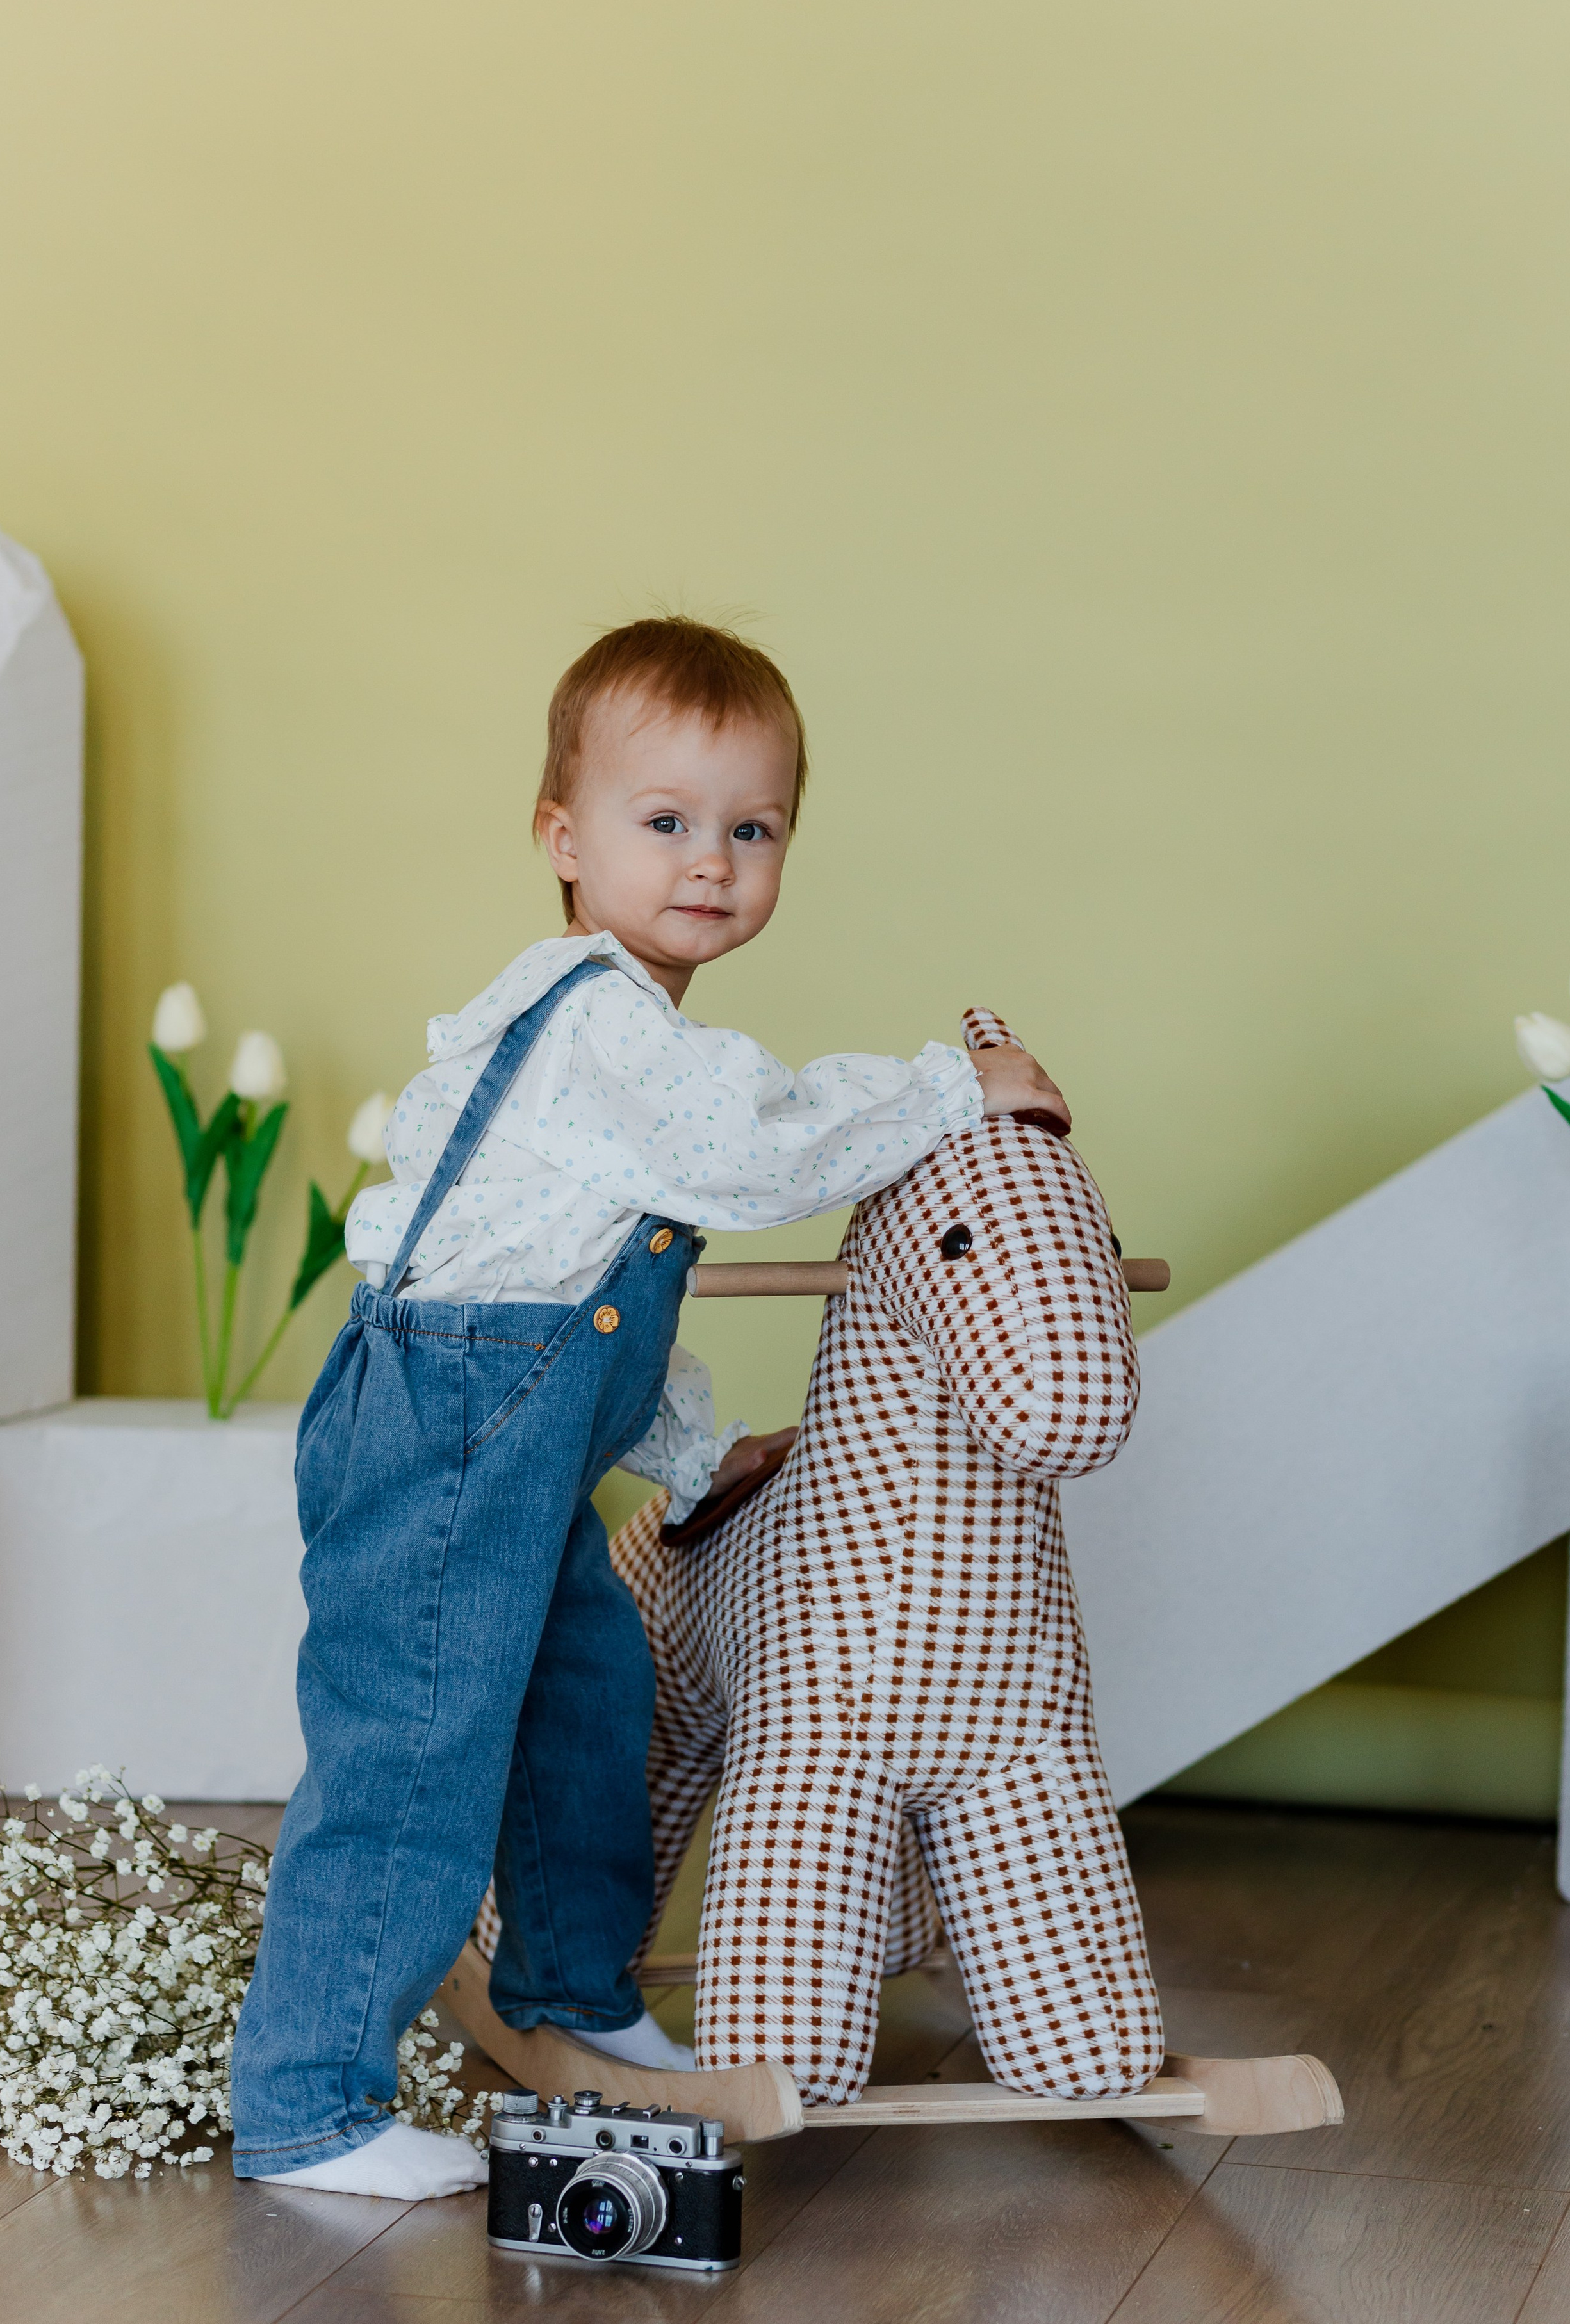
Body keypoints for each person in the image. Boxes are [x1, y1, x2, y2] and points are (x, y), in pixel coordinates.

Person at [230, 617, 1069, 2198]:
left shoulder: (640, 1035)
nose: (711, 863)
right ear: (563, 837)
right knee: (412, 1750)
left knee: (585, 1700)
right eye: (665, 821)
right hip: (437, 1432)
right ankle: (306, 2099)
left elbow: (602, 1299)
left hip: (512, 1430)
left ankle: (569, 1985)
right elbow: (748, 1156)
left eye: (752, 830)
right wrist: (952, 1093)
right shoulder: (600, 1018)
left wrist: (688, 1459)